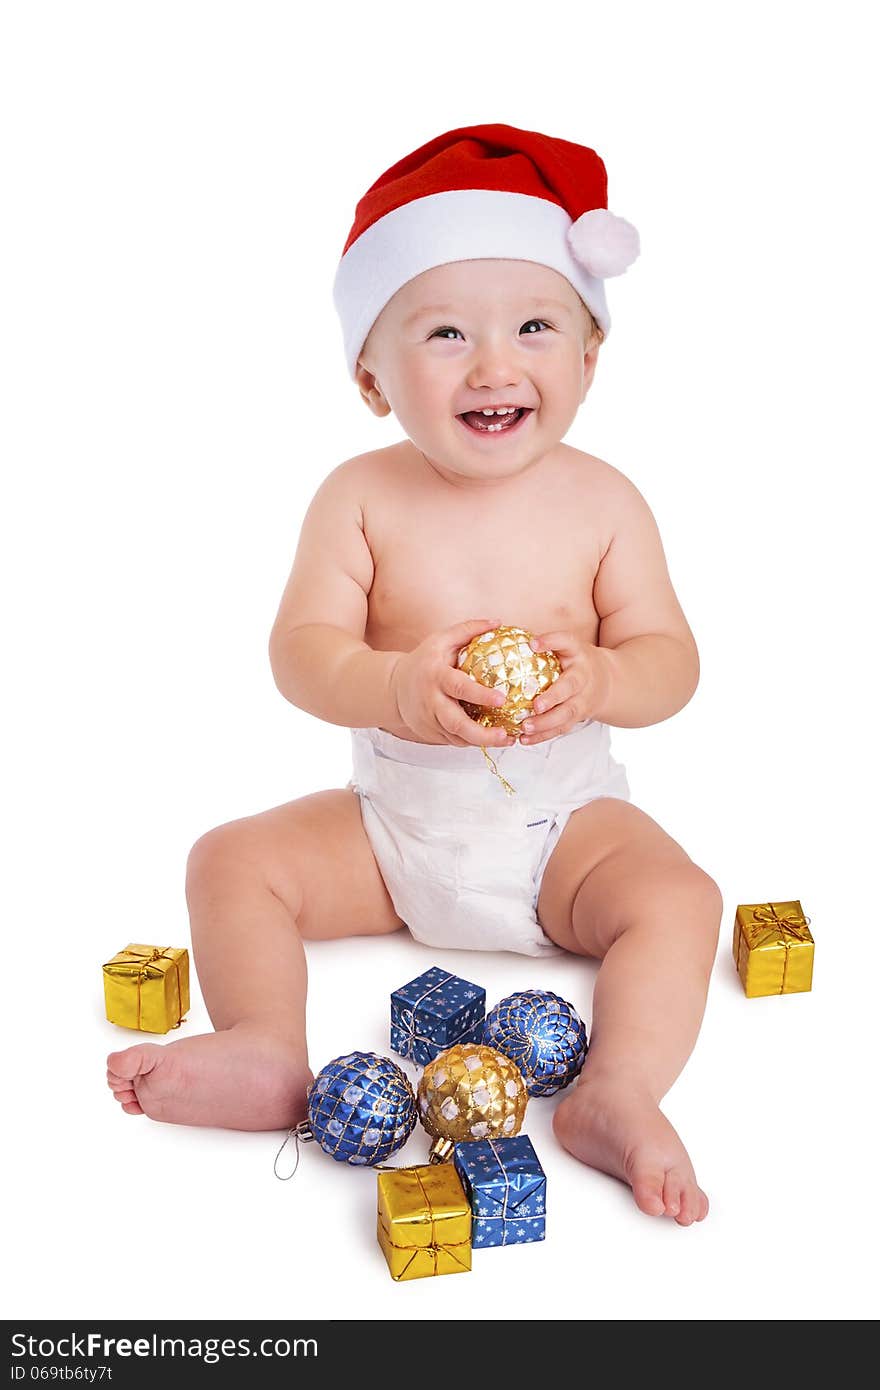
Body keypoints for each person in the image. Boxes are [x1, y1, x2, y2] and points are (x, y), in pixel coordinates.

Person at [107, 123, 722, 1226]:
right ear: (370, 376)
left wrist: (603, 680)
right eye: (444, 332)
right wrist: (392, 687)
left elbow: (670, 664)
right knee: (232, 859)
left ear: (589, 356)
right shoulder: (359, 496)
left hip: (562, 831)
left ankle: (613, 1091)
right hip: (390, 832)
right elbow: (302, 653)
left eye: (535, 325)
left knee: (679, 899)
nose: (494, 363)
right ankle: (261, 1043)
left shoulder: (606, 502)